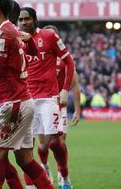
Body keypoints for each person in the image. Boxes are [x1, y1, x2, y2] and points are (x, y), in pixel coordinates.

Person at [0, 0, 55, 189]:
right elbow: (33, 50)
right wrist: (29, 38)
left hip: (15, 104)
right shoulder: (14, 31)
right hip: (24, 100)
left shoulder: (2, 34)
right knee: (24, 159)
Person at [18, 8, 75, 189]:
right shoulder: (16, 40)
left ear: (34, 20)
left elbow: (69, 61)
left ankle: (64, 174)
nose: (23, 23)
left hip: (49, 98)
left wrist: (65, 89)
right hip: (26, 99)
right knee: (26, 147)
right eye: (20, 20)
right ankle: (31, 184)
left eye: (27, 19)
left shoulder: (49, 36)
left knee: (53, 143)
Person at [44, 24, 81, 188]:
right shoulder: (38, 56)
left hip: (60, 105)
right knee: (43, 144)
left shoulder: (65, 59)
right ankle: (45, 168)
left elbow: (75, 86)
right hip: (42, 104)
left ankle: (62, 174)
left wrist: (78, 111)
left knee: (59, 142)